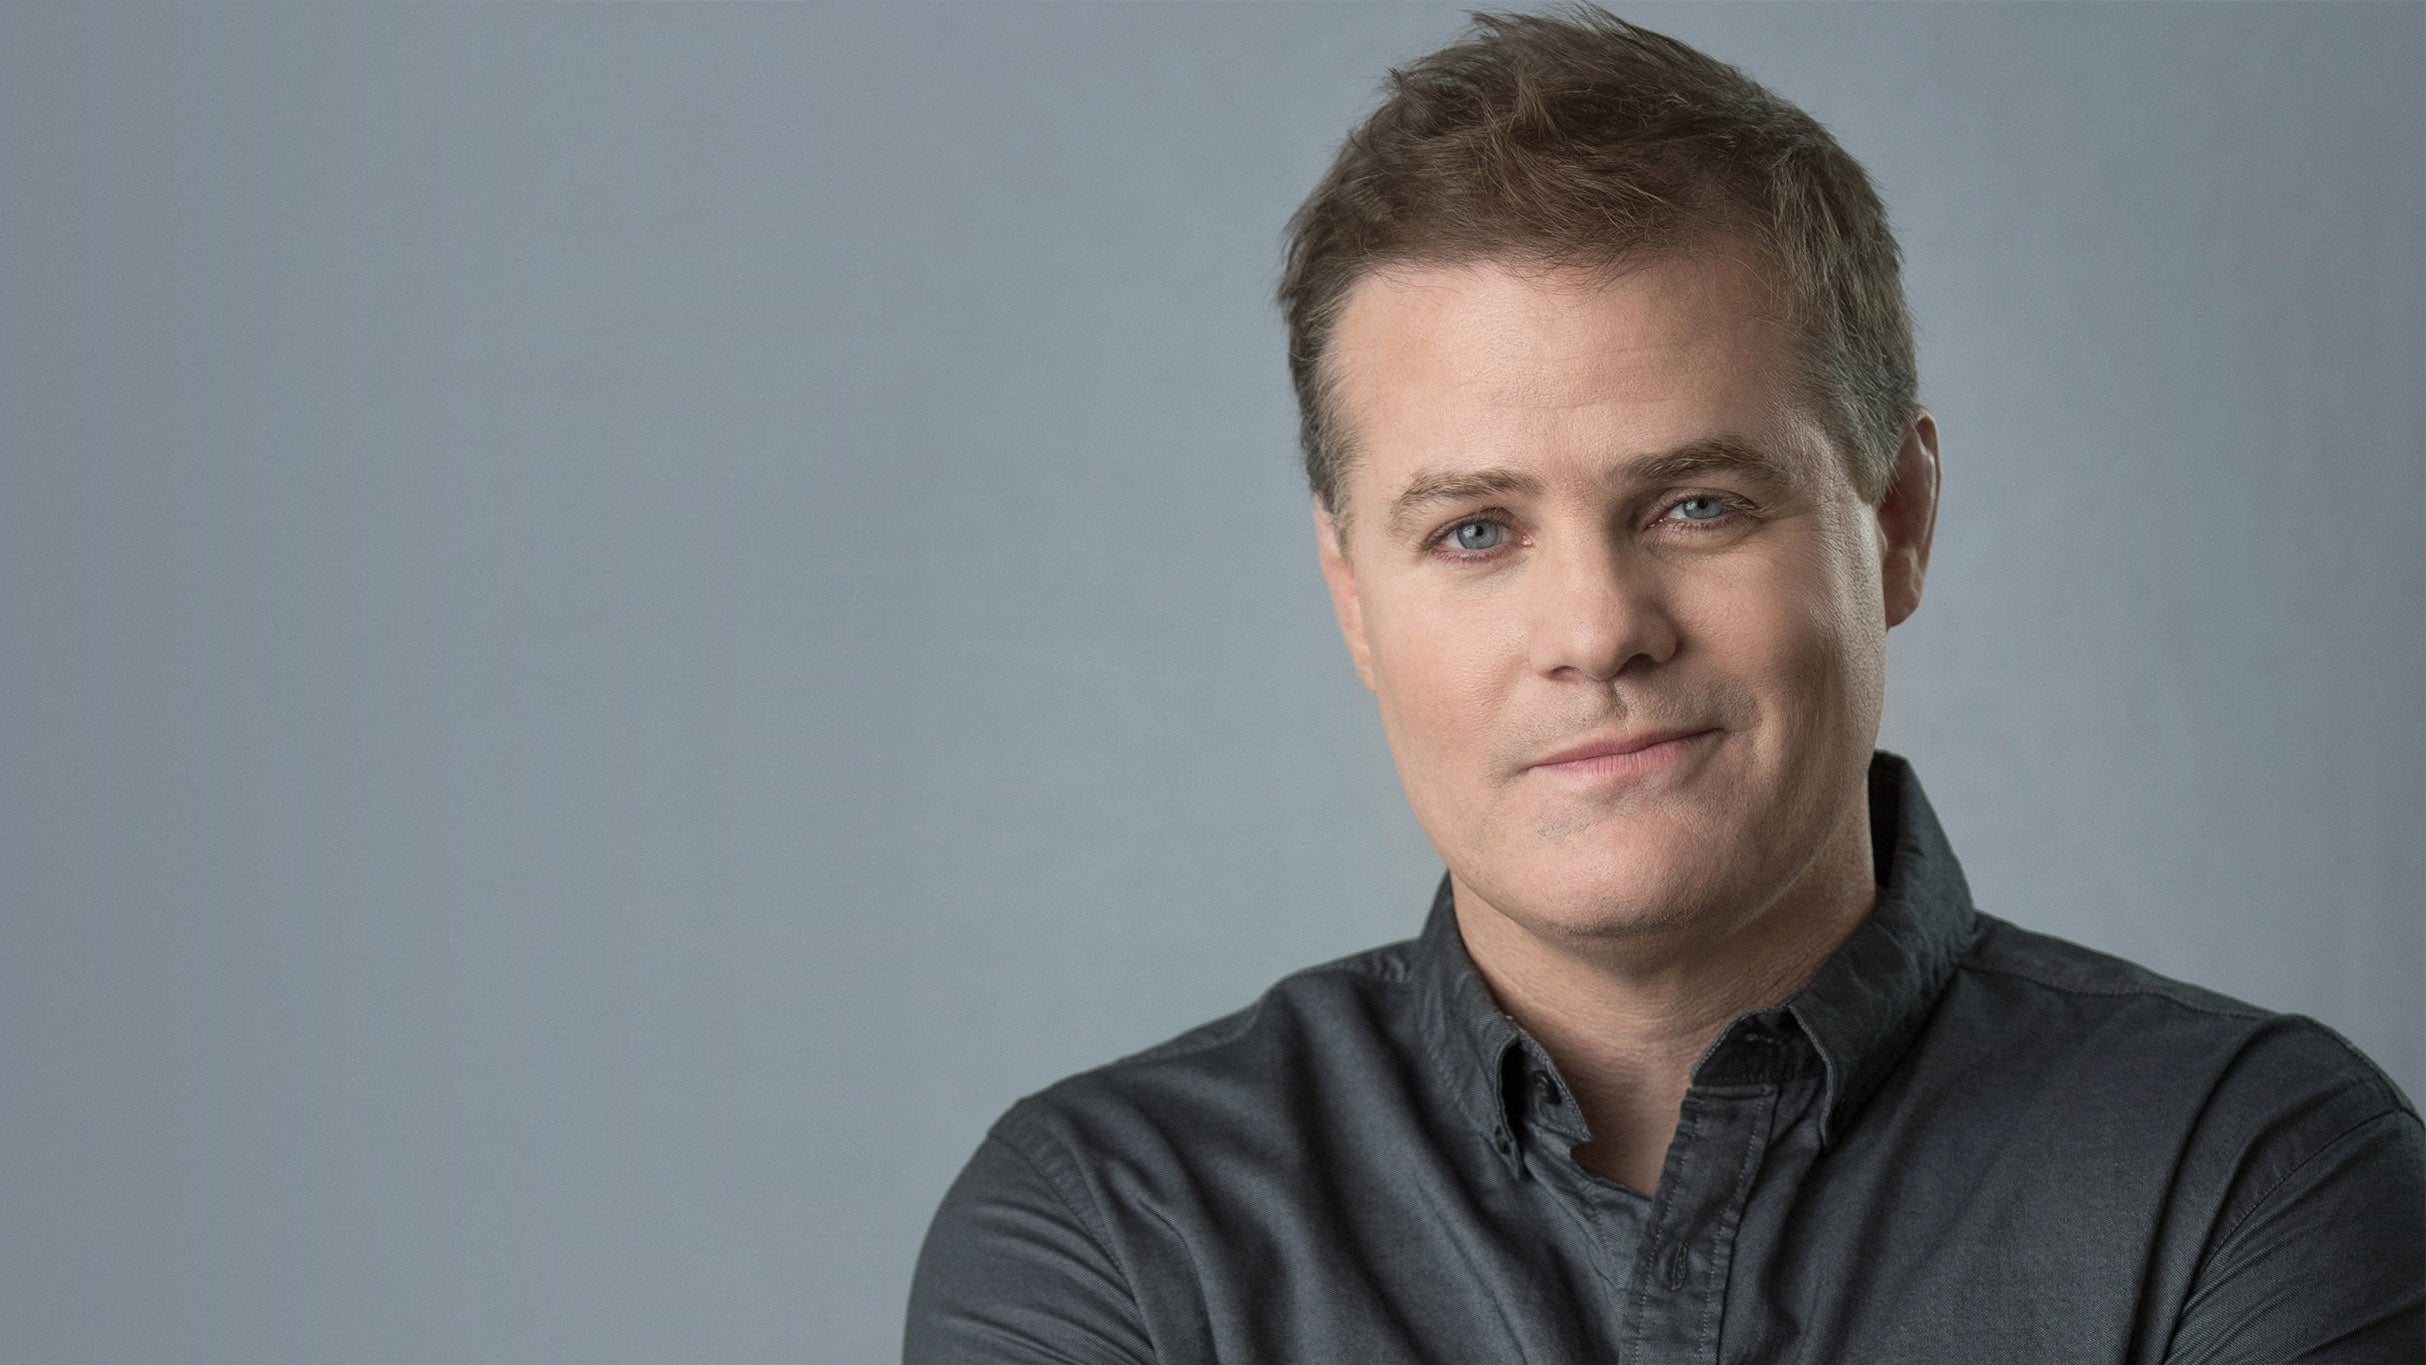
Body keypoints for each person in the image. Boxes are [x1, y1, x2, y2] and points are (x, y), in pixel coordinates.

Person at [903, 9, 2423, 1361]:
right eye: (1475, 530)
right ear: (1354, 598)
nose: (1596, 630)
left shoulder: (2250, 1176)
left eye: (1696, 505)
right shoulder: (1110, 1235)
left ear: (1896, 523)